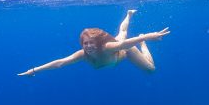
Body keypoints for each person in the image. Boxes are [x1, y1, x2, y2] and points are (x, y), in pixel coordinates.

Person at [18, 10, 170, 76]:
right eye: (85, 43)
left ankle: (143, 46)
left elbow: (125, 45)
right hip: (119, 48)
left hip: (127, 50)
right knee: (122, 33)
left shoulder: (107, 47)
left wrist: (147, 37)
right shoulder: (83, 55)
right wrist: (34, 70)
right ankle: (129, 14)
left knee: (151, 69)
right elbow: (61, 62)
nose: (88, 47)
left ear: (97, 43)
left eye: (91, 43)